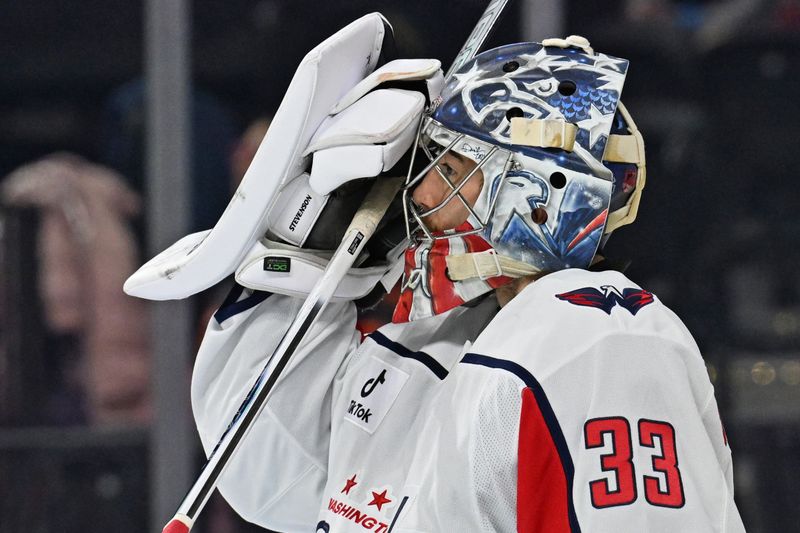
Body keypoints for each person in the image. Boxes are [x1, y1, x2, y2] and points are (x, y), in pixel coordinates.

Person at [185, 26, 745, 533]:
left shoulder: (600, 345)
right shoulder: (429, 339)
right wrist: (308, 233)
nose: (421, 195)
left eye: (450, 170)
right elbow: (271, 478)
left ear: (540, 197)